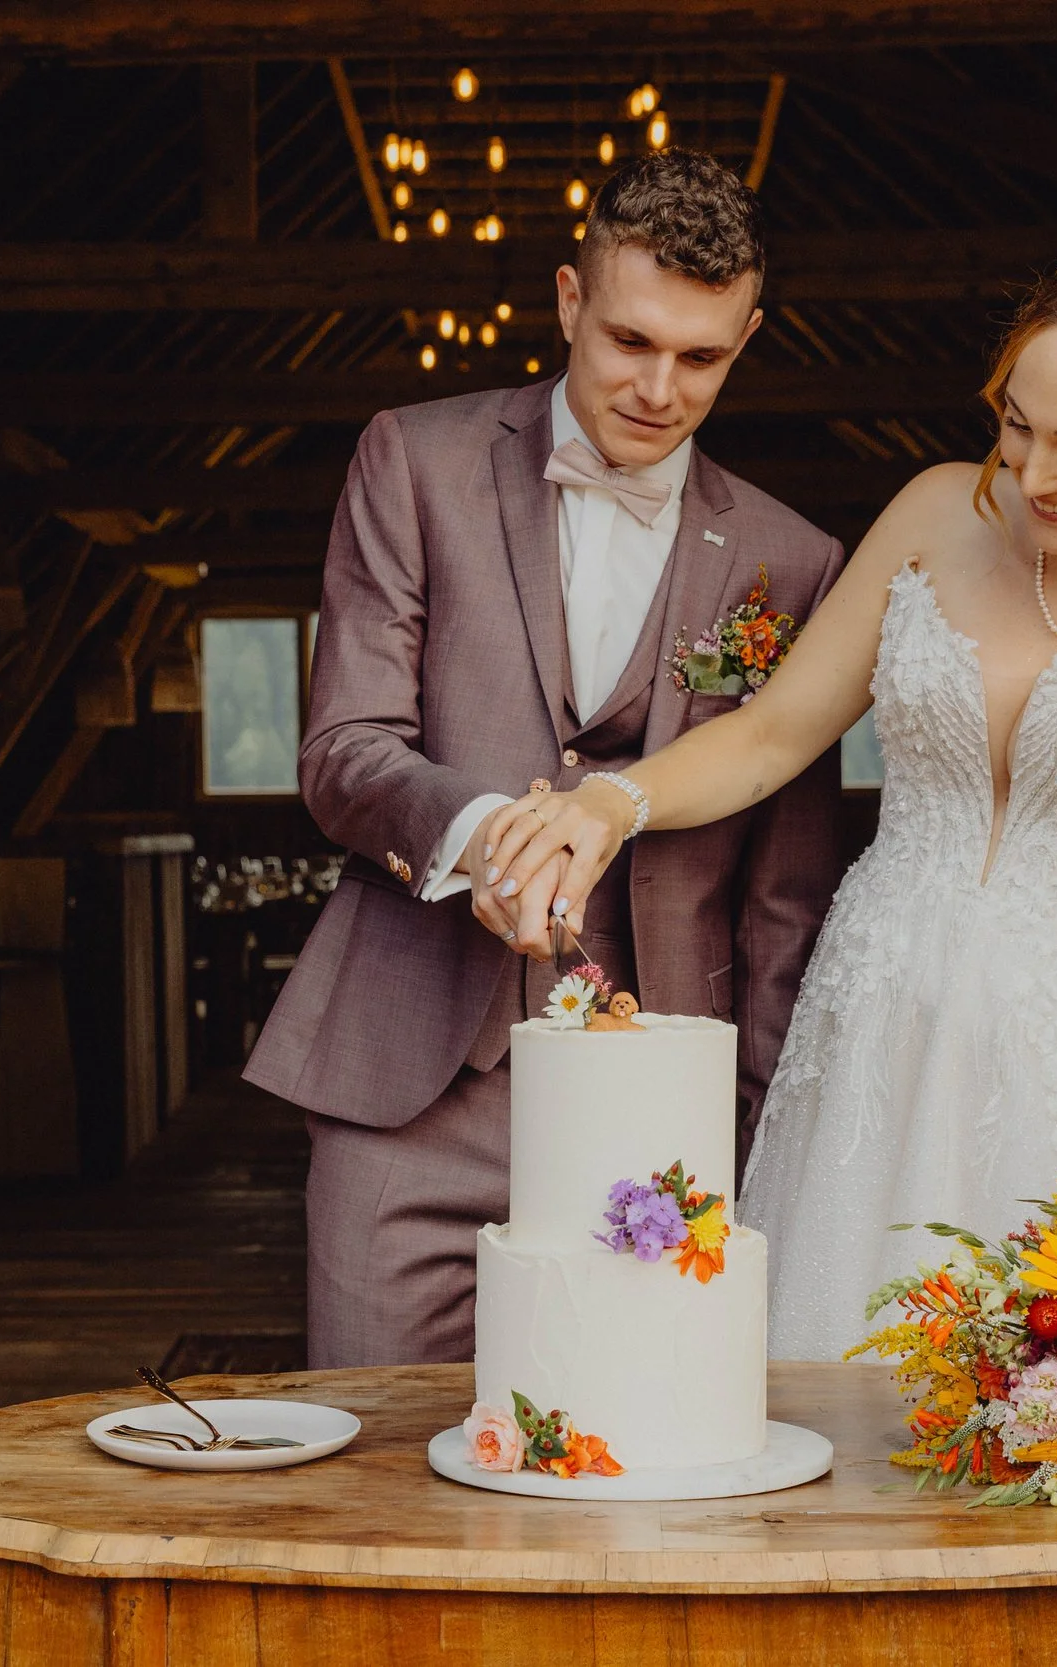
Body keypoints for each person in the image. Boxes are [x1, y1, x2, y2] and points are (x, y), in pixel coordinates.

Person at [479, 181, 1057, 1405]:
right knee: (824, 1407)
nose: (1034, 475)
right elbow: (772, 732)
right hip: (875, 1040)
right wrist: (610, 804)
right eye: (1018, 426)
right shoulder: (938, 513)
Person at [244, 150, 848, 1371]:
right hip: (411, 1091)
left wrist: (752, 1121)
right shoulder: (414, 459)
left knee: (628, 1452)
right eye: (629, 340)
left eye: (701, 358)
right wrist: (484, 835)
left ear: (746, 340)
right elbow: (344, 749)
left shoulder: (792, 561)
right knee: (374, 1449)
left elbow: (784, 897)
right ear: (569, 299)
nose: (659, 389)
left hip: (659, 1105)